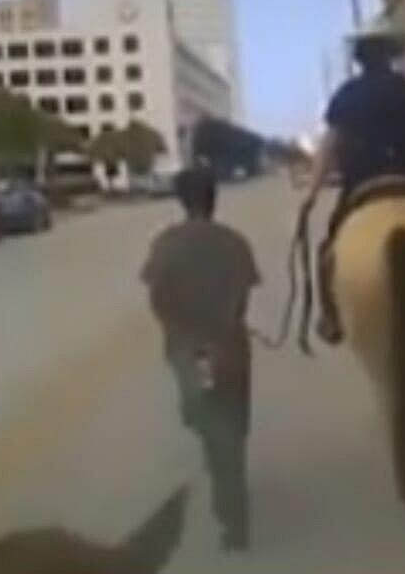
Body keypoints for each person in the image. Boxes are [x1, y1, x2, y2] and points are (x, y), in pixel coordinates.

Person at [141, 165, 260, 552]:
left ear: (181, 199)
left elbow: (157, 298)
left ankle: (225, 484)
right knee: (234, 425)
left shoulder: (165, 243)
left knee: (204, 418)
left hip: (187, 348)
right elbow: (243, 295)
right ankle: (233, 508)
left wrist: (178, 331)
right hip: (230, 345)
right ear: (214, 198)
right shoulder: (234, 242)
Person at [299, 22, 405, 341]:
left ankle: (331, 318)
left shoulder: (347, 96)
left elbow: (329, 147)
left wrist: (311, 194)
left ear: (359, 59)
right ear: (390, 56)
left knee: (329, 251)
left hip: (363, 186)